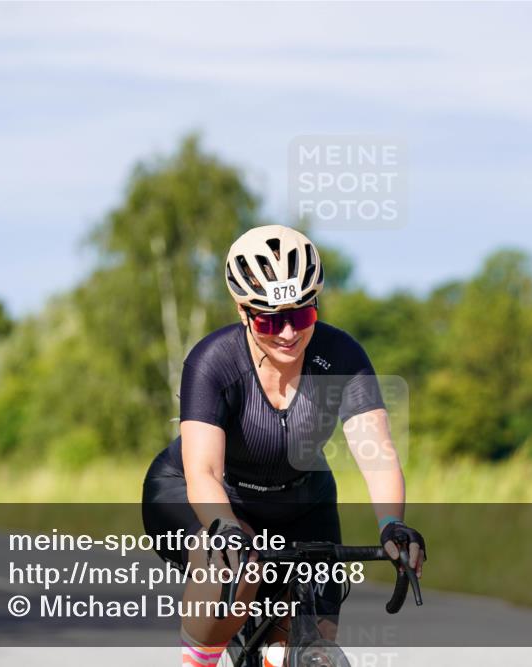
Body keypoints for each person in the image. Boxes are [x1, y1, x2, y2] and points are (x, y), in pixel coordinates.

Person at [142, 225, 426, 666]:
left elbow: (378, 453)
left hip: (301, 502)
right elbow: (204, 473)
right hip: (198, 493)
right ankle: (197, 660)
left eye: (302, 315)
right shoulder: (213, 361)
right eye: (270, 320)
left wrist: (392, 524)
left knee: (315, 649)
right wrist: (227, 529)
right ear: (242, 310)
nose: (289, 332)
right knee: (235, 570)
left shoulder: (343, 357)